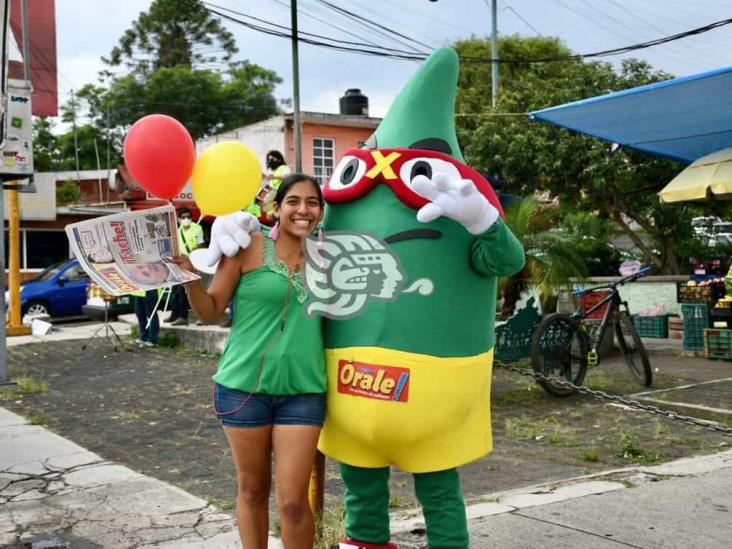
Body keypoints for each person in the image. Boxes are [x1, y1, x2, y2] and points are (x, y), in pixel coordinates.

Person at [173, 174, 326, 549]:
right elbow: (210, 311)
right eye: (293, 201)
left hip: (303, 392)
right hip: (243, 390)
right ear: (276, 209)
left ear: (321, 211)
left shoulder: (332, 258)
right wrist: (191, 279)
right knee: (254, 489)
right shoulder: (246, 248)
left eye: (312, 202)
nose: (302, 210)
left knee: (293, 502)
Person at [166, 207, 204, 326]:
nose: (186, 219)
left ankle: (183, 317)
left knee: (184, 291)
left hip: (190, 263)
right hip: (178, 263)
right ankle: (175, 313)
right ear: (179, 219)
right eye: (183, 218)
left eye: (188, 217)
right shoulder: (177, 231)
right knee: (175, 290)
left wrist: (194, 253)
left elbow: (201, 245)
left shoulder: (197, 228)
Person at [258, 150, 291, 222]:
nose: (271, 161)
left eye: (273, 159)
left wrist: (275, 177)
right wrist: (264, 176)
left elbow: (287, 177)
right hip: (272, 197)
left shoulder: (284, 168)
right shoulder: (273, 171)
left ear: (279, 159)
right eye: (269, 160)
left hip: (280, 193)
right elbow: (270, 179)